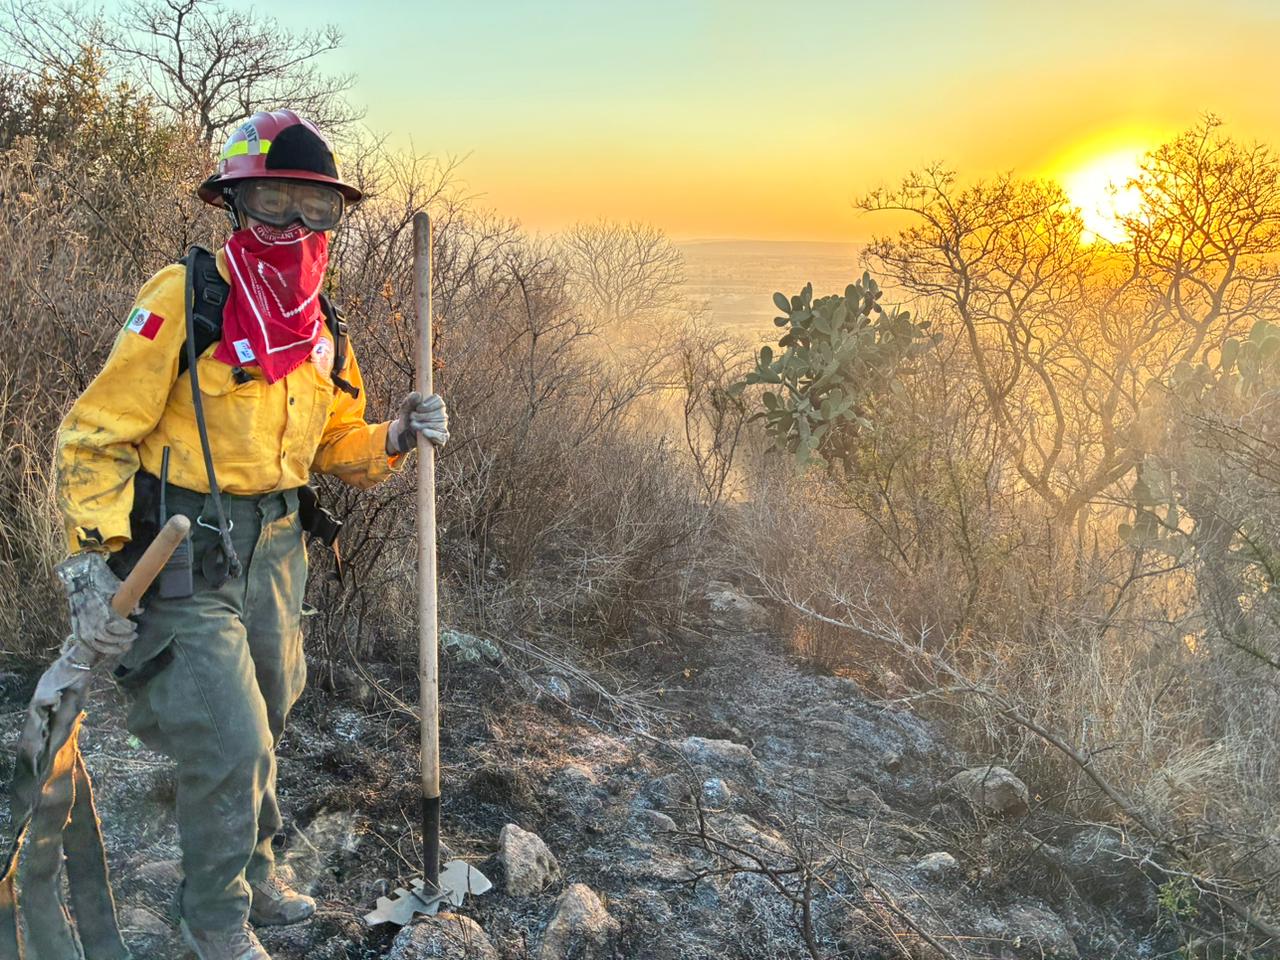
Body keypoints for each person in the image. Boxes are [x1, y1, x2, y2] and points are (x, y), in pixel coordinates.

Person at [53, 109, 445, 960]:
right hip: (179, 556)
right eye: (273, 203)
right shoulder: (183, 298)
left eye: (317, 209)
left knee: (266, 718)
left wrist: (395, 434)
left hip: (277, 553)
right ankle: (215, 923)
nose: (296, 227)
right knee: (230, 739)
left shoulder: (319, 325)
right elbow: (94, 435)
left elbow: (332, 445)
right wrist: (89, 560)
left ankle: (255, 869)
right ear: (234, 204)